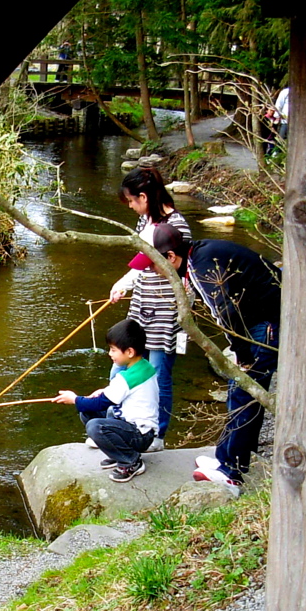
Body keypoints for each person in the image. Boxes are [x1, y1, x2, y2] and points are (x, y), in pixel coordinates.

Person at [134, 223, 281, 494]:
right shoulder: (199, 255)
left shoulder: (202, 268)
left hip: (266, 325)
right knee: (243, 392)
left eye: (153, 264)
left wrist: (243, 357)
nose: (151, 271)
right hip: (261, 319)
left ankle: (231, 473)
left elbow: (227, 314)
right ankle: (229, 457)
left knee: (243, 394)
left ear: (170, 258)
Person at [106, 165, 191, 451]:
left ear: (143, 197)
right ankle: (114, 426)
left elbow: (185, 276)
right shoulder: (146, 221)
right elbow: (142, 263)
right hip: (142, 306)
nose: (130, 206)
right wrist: (123, 284)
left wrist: (184, 315)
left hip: (166, 312)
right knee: (122, 365)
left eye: (131, 200)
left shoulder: (177, 226)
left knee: (157, 374)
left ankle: (156, 435)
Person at [53, 318, 159, 483]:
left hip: (140, 435)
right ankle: (118, 452)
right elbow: (127, 393)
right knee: (87, 412)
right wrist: (103, 391)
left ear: (129, 352)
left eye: (113, 350)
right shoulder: (145, 366)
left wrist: (74, 399)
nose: (110, 354)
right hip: (136, 427)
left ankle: (130, 461)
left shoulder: (126, 377)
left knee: (95, 426)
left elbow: (100, 403)